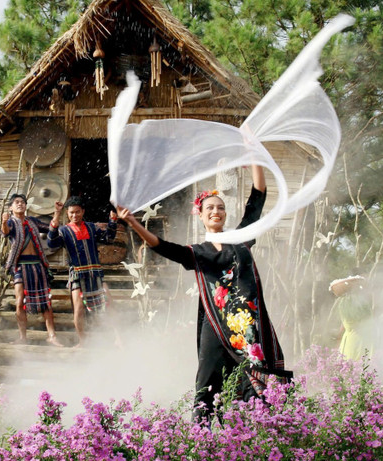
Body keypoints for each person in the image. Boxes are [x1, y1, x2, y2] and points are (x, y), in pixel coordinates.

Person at [117, 165, 290, 422]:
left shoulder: (242, 238)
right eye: (209, 208)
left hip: (247, 326)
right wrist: (133, 223)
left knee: (254, 378)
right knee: (207, 381)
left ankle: (262, 431)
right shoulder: (197, 252)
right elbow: (162, 246)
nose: (215, 211)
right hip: (215, 325)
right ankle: (202, 435)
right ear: (200, 214)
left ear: (225, 213)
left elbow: (258, 197)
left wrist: (255, 157)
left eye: (220, 207)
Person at [47, 196, 117, 346]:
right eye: (71, 212)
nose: (74, 215)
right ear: (67, 213)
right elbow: (51, 243)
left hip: (96, 273)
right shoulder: (64, 231)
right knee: (79, 309)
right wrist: (57, 214)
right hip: (77, 274)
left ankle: (118, 338)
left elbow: (108, 239)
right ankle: (82, 341)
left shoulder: (92, 227)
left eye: (77, 212)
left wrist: (112, 221)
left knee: (109, 304)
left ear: (83, 211)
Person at [1, 193, 63, 346]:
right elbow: (6, 232)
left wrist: (57, 213)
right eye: (16, 202)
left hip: (37, 264)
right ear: (11, 207)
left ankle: (52, 336)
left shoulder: (32, 222)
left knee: (46, 302)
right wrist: (3, 221)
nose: (20, 204)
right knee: (19, 301)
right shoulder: (10, 222)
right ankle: (22, 337)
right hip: (20, 266)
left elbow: (51, 228)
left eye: (22, 202)